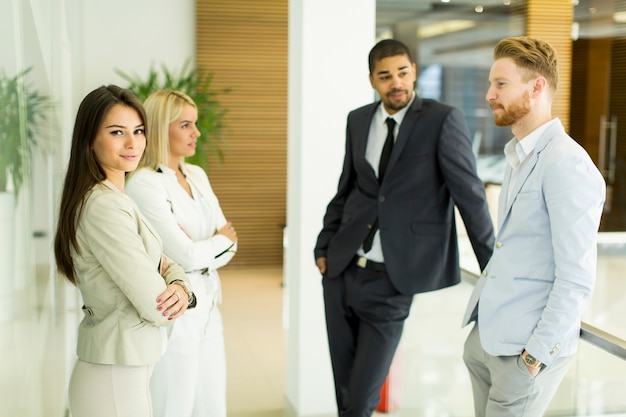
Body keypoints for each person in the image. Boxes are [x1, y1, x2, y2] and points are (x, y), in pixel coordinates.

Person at [314, 38, 495, 417]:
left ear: (413, 71)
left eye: (402, 72)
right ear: (372, 81)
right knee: (344, 391)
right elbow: (347, 187)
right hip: (342, 272)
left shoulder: (441, 119)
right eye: (385, 76)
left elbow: (470, 196)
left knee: (362, 396)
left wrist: (492, 271)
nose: (396, 83)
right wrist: (323, 245)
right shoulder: (358, 119)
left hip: (392, 281)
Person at [461, 36, 606, 417]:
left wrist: (535, 357)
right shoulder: (518, 155)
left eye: (501, 84)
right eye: (492, 84)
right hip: (489, 342)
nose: (490, 94)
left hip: (522, 356)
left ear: (537, 86)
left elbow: (576, 277)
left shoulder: (567, 164)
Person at [54, 85, 196, 417]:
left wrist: (180, 286)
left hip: (121, 376)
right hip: (112, 381)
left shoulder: (115, 198)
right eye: (117, 132)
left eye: (139, 131)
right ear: (90, 138)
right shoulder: (103, 206)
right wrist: (178, 291)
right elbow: (156, 305)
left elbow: (166, 263)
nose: (133, 143)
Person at [125, 89, 237, 417]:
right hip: (178, 309)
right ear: (161, 128)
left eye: (195, 124)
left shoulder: (196, 175)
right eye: (186, 125)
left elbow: (232, 241)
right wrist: (216, 241)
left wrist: (210, 244)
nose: (197, 133)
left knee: (213, 404)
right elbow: (185, 257)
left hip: (210, 304)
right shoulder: (144, 184)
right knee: (174, 405)